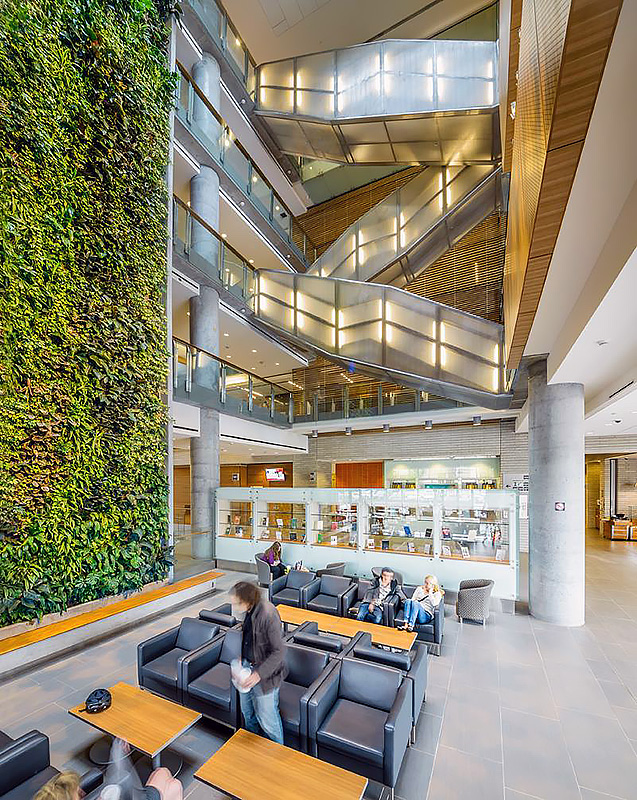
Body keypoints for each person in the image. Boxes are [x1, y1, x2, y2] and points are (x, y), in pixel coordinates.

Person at [230, 580, 286, 744]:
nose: (235, 607)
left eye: (237, 603)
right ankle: (254, 749)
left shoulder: (268, 614)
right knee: (248, 714)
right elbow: (249, 638)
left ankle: (276, 752)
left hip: (266, 676)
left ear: (247, 600)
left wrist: (258, 675)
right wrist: (242, 658)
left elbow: (278, 652)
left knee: (268, 721)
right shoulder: (249, 611)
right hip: (247, 668)